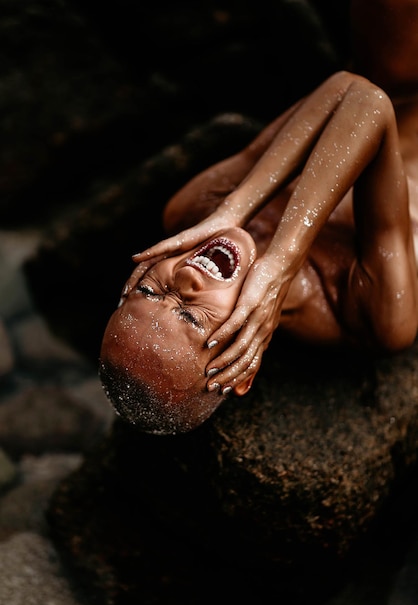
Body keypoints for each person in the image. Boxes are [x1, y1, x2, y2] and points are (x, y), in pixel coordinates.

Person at [99, 0, 418, 435]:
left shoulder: (191, 211)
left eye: (151, 291)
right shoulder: (368, 314)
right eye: (193, 318)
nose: (185, 282)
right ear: (242, 369)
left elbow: (354, 87)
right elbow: (367, 106)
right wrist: (283, 259)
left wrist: (232, 207)